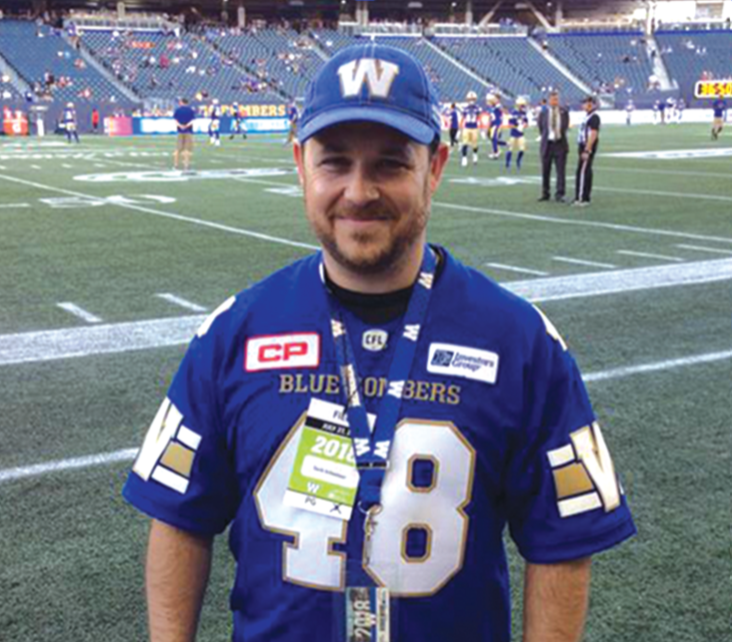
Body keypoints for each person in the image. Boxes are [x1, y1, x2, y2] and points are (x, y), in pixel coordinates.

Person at [123, 43, 635, 642]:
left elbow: (563, 543)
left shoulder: (520, 341)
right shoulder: (234, 333)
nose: (359, 191)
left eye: (389, 164)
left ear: (435, 166)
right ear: (301, 164)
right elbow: (179, 518)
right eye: (335, 162)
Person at [537, 90, 569, 202]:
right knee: (545, 170)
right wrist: (548, 137)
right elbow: (541, 128)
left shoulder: (563, 112)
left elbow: (565, 127)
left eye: (557, 99)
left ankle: (560, 193)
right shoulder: (543, 112)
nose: (555, 101)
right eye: (553, 99)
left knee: (561, 171)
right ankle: (545, 193)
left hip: (560, 144)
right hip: (548, 144)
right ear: (549, 100)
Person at [573, 95, 601, 207]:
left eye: (585, 103)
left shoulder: (594, 117)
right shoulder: (588, 116)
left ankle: (581, 198)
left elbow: (593, 134)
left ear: (590, 104)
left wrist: (587, 149)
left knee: (582, 171)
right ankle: (585, 197)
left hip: (586, 146)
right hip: (583, 145)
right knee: (585, 170)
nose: (583, 105)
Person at [505, 96, 528, 171]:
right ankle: (507, 163)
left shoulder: (524, 113)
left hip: (521, 134)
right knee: (510, 149)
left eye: (523, 105)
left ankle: (518, 160)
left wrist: (524, 125)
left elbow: (526, 122)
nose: (523, 107)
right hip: (514, 134)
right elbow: (510, 124)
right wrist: (517, 126)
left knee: (522, 149)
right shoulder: (513, 113)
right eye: (522, 105)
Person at [460, 90, 482, 166]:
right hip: (467, 127)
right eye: (470, 99)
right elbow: (463, 118)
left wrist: (481, 128)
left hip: (474, 127)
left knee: (474, 144)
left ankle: (475, 155)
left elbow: (479, 118)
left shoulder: (477, 108)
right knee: (465, 143)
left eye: (472, 99)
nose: (471, 101)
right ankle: (464, 158)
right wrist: (460, 128)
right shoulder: (465, 108)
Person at [173, 97, 195, 171]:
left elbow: (175, 120)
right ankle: (186, 166)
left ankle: (175, 165)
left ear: (182, 102)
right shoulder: (190, 110)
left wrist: (180, 126)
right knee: (187, 150)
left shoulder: (177, 110)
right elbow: (192, 121)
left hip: (180, 131)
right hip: (188, 131)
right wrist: (186, 126)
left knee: (177, 149)